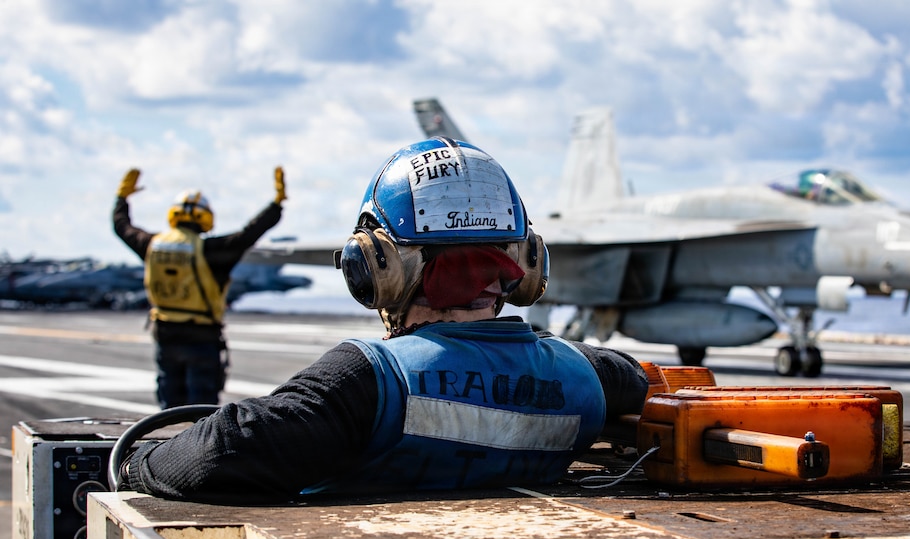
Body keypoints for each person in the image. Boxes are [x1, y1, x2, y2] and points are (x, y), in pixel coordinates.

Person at [116, 138, 648, 504]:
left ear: (377, 267)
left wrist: (135, 465)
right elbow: (638, 381)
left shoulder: (368, 379)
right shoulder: (593, 378)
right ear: (527, 265)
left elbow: (221, 452)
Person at [113, 167, 286, 409]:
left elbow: (122, 226)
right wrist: (276, 205)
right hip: (201, 338)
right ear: (204, 217)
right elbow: (249, 233)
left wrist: (122, 199)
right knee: (201, 413)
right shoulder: (211, 250)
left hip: (165, 335)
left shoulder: (152, 245)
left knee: (169, 410)